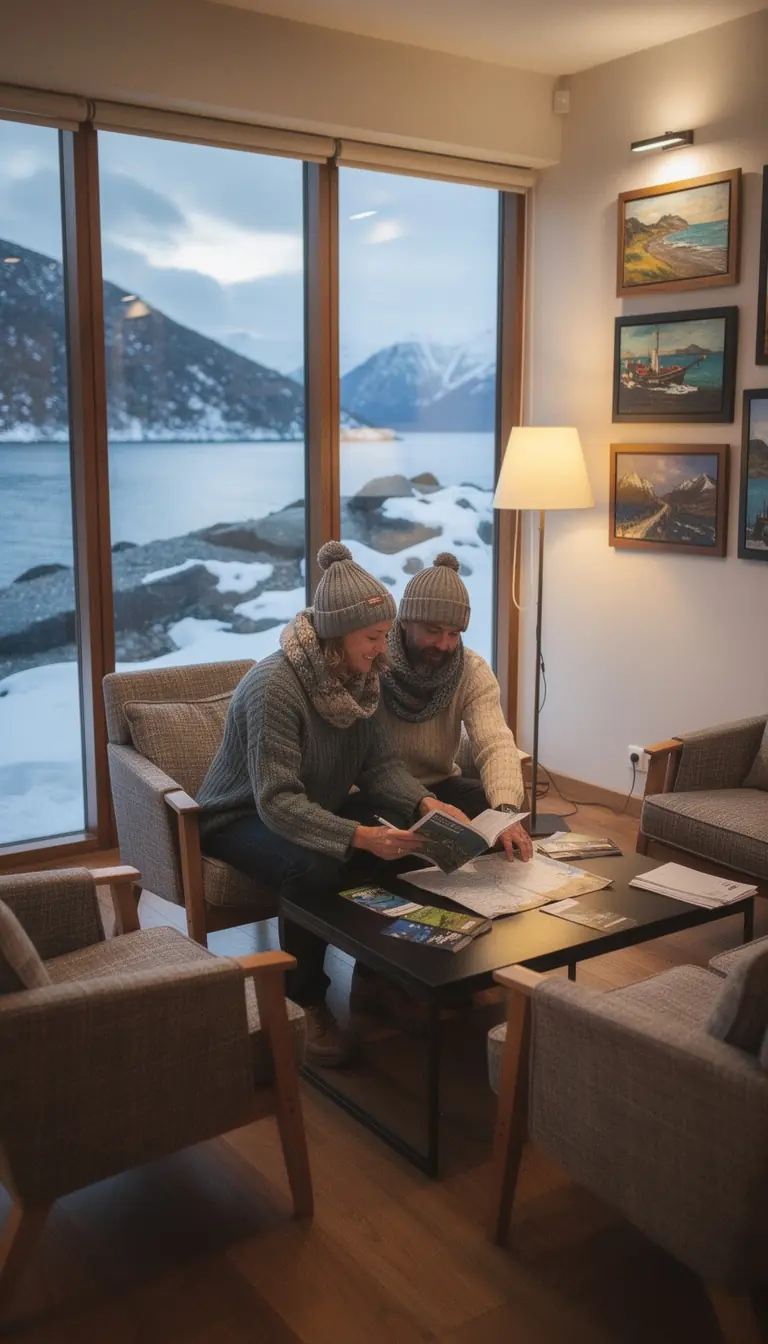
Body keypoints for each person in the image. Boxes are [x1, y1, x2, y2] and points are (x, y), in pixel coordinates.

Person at [196, 541, 463, 1067]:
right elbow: (276, 801)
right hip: (240, 814)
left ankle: (379, 979)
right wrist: (358, 836)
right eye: (372, 638)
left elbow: (381, 768)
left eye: (385, 635)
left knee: (411, 839)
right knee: (315, 867)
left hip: (307, 804)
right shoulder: (274, 686)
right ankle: (306, 1000)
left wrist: (428, 803)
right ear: (334, 637)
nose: (383, 651)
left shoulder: (364, 680)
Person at [380, 552, 533, 864]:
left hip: (441, 784)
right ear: (406, 620)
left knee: (504, 815)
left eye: (453, 633)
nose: (444, 644)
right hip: (384, 788)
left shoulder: (471, 670)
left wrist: (505, 812)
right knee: (398, 830)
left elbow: (495, 743)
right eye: (433, 631)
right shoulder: (374, 662)